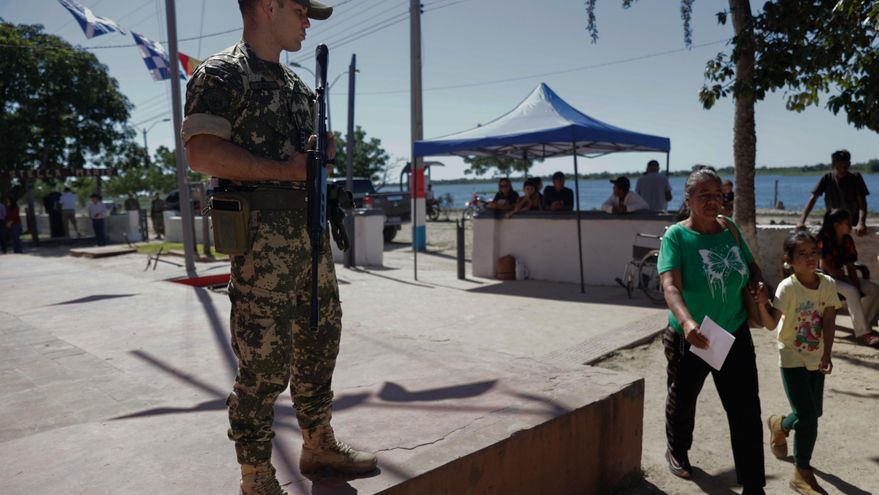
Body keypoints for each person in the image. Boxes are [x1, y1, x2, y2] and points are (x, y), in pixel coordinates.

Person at [182, 1, 377, 492]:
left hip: (310, 238)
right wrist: (288, 169)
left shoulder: (296, 86)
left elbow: (302, 159)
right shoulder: (225, 73)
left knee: (319, 348)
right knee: (263, 365)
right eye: (300, 9)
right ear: (267, 6)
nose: (307, 21)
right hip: (262, 247)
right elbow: (202, 152)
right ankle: (256, 475)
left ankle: (318, 446)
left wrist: (318, 156)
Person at [657, 167, 766, 494]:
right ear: (688, 199)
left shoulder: (729, 228)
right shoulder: (677, 236)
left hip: (732, 333)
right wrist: (688, 322)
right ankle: (677, 449)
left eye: (718, 195)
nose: (713, 201)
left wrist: (760, 283)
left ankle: (754, 484)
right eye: (704, 196)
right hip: (693, 336)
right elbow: (670, 286)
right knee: (683, 397)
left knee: (746, 408)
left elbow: (751, 265)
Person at [754, 231, 840, 495]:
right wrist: (761, 304)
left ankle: (780, 424)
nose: (810, 258)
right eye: (802, 254)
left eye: (813, 252)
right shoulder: (788, 288)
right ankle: (801, 472)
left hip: (817, 357)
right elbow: (770, 325)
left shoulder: (827, 284)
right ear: (789, 260)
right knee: (808, 415)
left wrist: (827, 353)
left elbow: (828, 319)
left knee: (813, 412)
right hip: (792, 357)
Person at [817, 209, 879, 347]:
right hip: (823, 278)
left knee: (873, 290)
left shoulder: (847, 240)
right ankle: (863, 333)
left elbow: (851, 265)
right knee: (851, 291)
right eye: (847, 223)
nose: (850, 226)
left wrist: (856, 284)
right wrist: (842, 278)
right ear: (836, 225)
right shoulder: (824, 238)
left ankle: (865, 326)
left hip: (839, 277)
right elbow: (823, 265)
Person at [797, 150, 869, 236]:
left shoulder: (855, 178)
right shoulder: (827, 178)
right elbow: (813, 199)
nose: (842, 170)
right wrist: (801, 221)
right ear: (833, 165)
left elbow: (862, 203)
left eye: (845, 166)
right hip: (832, 224)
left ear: (849, 165)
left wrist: (861, 223)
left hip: (851, 224)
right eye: (839, 166)